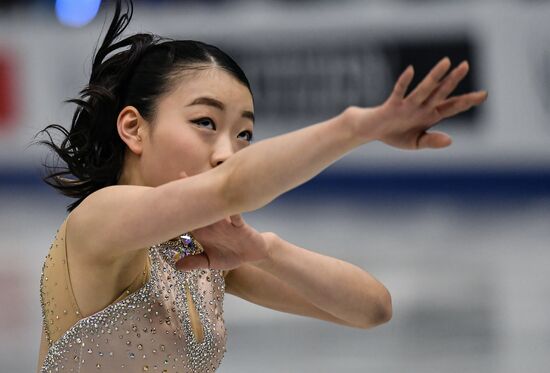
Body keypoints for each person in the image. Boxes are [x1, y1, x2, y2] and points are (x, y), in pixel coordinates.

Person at [33, 0, 488, 371]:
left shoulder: (201, 255)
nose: (227, 151)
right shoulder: (101, 219)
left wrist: (265, 250)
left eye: (244, 134)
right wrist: (355, 128)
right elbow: (232, 187)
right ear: (133, 128)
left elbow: (373, 309)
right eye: (205, 122)